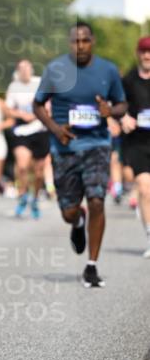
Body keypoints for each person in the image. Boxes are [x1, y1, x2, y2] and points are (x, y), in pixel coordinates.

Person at [33, 22, 127, 288]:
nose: (81, 46)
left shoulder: (107, 70)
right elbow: (37, 105)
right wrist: (54, 128)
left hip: (97, 144)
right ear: (69, 43)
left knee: (97, 200)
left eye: (85, 40)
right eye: (76, 41)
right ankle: (77, 220)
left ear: (92, 41)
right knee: (68, 211)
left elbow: (122, 103)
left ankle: (92, 265)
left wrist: (112, 111)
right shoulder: (56, 69)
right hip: (64, 148)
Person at [5, 59, 50, 219]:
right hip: (22, 131)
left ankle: (35, 198)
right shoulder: (14, 87)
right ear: (18, 71)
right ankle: (23, 195)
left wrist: (39, 113)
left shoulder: (40, 83)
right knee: (22, 166)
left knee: (38, 172)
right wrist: (22, 115)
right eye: (21, 68)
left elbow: (49, 104)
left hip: (40, 130)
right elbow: (9, 110)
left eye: (27, 68)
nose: (25, 71)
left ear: (31, 69)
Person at [121, 36, 150, 258]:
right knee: (144, 188)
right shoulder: (128, 80)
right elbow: (117, 106)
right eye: (143, 51)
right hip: (138, 142)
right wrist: (123, 118)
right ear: (137, 53)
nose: (147, 56)